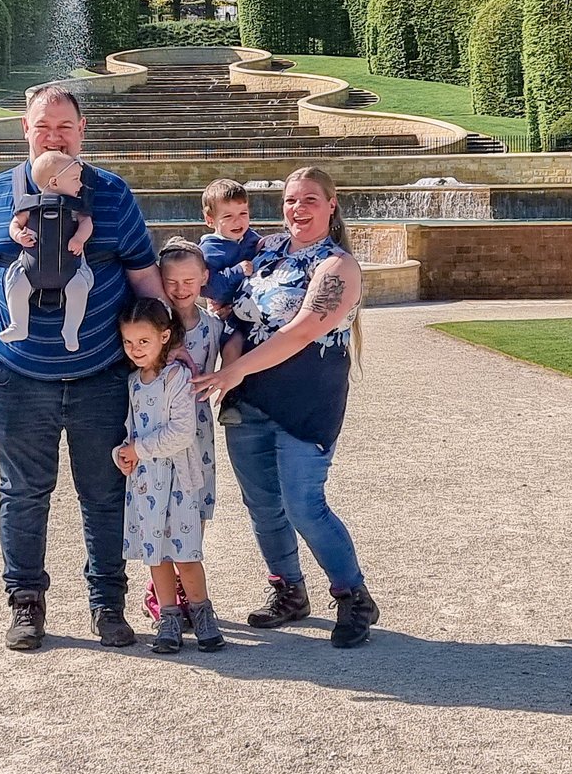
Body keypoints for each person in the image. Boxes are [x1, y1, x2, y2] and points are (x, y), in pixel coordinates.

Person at [0, 83, 164, 652]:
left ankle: (107, 604)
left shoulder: (111, 194)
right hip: (18, 377)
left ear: (82, 131)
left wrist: (168, 348)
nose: (54, 136)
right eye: (43, 127)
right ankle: (25, 603)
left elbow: (144, 276)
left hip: (101, 375)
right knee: (22, 492)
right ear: (25, 129)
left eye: (65, 127)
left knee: (103, 494)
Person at [193, 166, 380, 648]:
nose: (298, 209)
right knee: (263, 506)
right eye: (291, 200)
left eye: (310, 200)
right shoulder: (267, 250)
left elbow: (301, 330)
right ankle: (288, 591)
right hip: (248, 399)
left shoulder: (337, 267)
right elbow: (223, 298)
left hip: (305, 401)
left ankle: (352, 595)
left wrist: (235, 368)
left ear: (331, 204)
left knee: (305, 504)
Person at [111, 295, 223, 654]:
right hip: (145, 484)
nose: (135, 349)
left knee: (186, 554)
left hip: (178, 482)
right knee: (155, 555)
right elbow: (130, 431)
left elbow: (181, 432)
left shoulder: (177, 377)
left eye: (143, 341)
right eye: (128, 342)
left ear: (165, 336)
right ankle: (169, 618)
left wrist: (138, 450)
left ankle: (202, 612)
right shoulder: (132, 382)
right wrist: (122, 455)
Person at [143, 240, 224, 624]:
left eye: (189, 280)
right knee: (156, 503)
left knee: (196, 502)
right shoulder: (151, 324)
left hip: (198, 429)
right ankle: (159, 587)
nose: (180, 289)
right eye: (171, 281)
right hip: (158, 428)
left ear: (204, 278)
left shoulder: (213, 326)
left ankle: (183, 579)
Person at [0, 148, 96, 351]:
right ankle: (18, 324)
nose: (80, 184)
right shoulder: (29, 204)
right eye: (75, 179)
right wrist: (19, 236)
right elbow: (15, 225)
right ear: (54, 182)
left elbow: (86, 224)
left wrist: (79, 238)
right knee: (16, 284)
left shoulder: (75, 206)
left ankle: (70, 328)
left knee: (79, 289)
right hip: (31, 268)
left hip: (70, 268)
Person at [196, 178, 262, 318]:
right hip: (228, 315)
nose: (237, 221)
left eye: (243, 214)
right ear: (210, 220)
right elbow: (209, 288)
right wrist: (237, 271)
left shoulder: (250, 237)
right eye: (228, 216)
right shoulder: (209, 251)